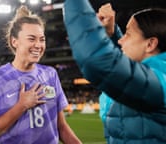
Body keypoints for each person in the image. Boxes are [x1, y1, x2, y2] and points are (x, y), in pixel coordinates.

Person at [0, 5, 82, 144]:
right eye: (32, 39)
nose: (38, 45)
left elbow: (61, 127)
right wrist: (21, 106)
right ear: (15, 42)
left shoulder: (50, 74)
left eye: (42, 39)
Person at [64, 0, 166, 143]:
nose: (121, 40)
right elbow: (128, 71)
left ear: (150, 44)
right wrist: (111, 34)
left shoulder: (161, 83)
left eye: (128, 34)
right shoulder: (155, 77)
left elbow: (97, 62)